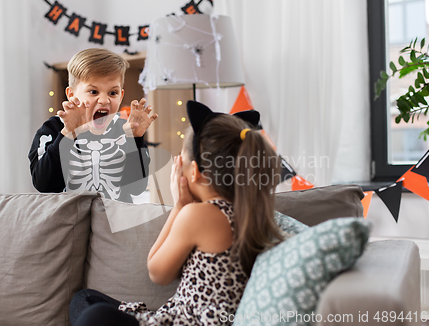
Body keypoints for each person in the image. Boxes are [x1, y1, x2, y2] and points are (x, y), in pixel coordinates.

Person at [69, 101, 285, 326]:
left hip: (181, 322)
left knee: (91, 310)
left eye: (180, 158)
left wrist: (180, 205)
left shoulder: (198, 215)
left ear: (194, 172)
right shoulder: (255, 214)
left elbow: (157, 272)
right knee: (86, 299)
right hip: (186, 318)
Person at [28, 48, 157, 202]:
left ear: (121, 95)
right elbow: (44, 184)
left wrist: (135, 139)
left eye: (112, 93)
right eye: (93, 92)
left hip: (115, 221)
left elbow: (136, 188)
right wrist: (68, 133)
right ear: (71, 95)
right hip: (69, 222)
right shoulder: (53, 129)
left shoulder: (125, 130)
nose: (104, 100)